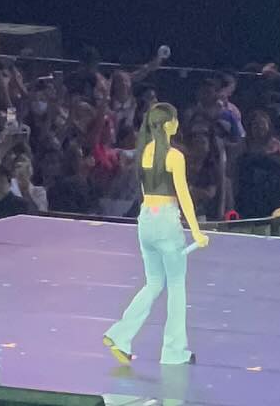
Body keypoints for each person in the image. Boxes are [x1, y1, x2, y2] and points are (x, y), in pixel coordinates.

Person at [103, 104, 206, 369]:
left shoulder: (143, 153)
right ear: (169, 124)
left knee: (154, 283)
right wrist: (196, 231)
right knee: (176, 286)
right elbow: (183, 195)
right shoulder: (174, 157)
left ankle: (120, 335)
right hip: (167, 221)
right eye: (175, 119)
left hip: (146, 219)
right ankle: (174, 350)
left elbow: (143, 191)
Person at [232, 109, 280, 220]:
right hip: (248, 198)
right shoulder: (243, 146)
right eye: (255, 124)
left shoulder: (278, 146)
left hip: (274, 196)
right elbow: (232, 171)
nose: (259, 127)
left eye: (262, 124)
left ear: (268, 126)